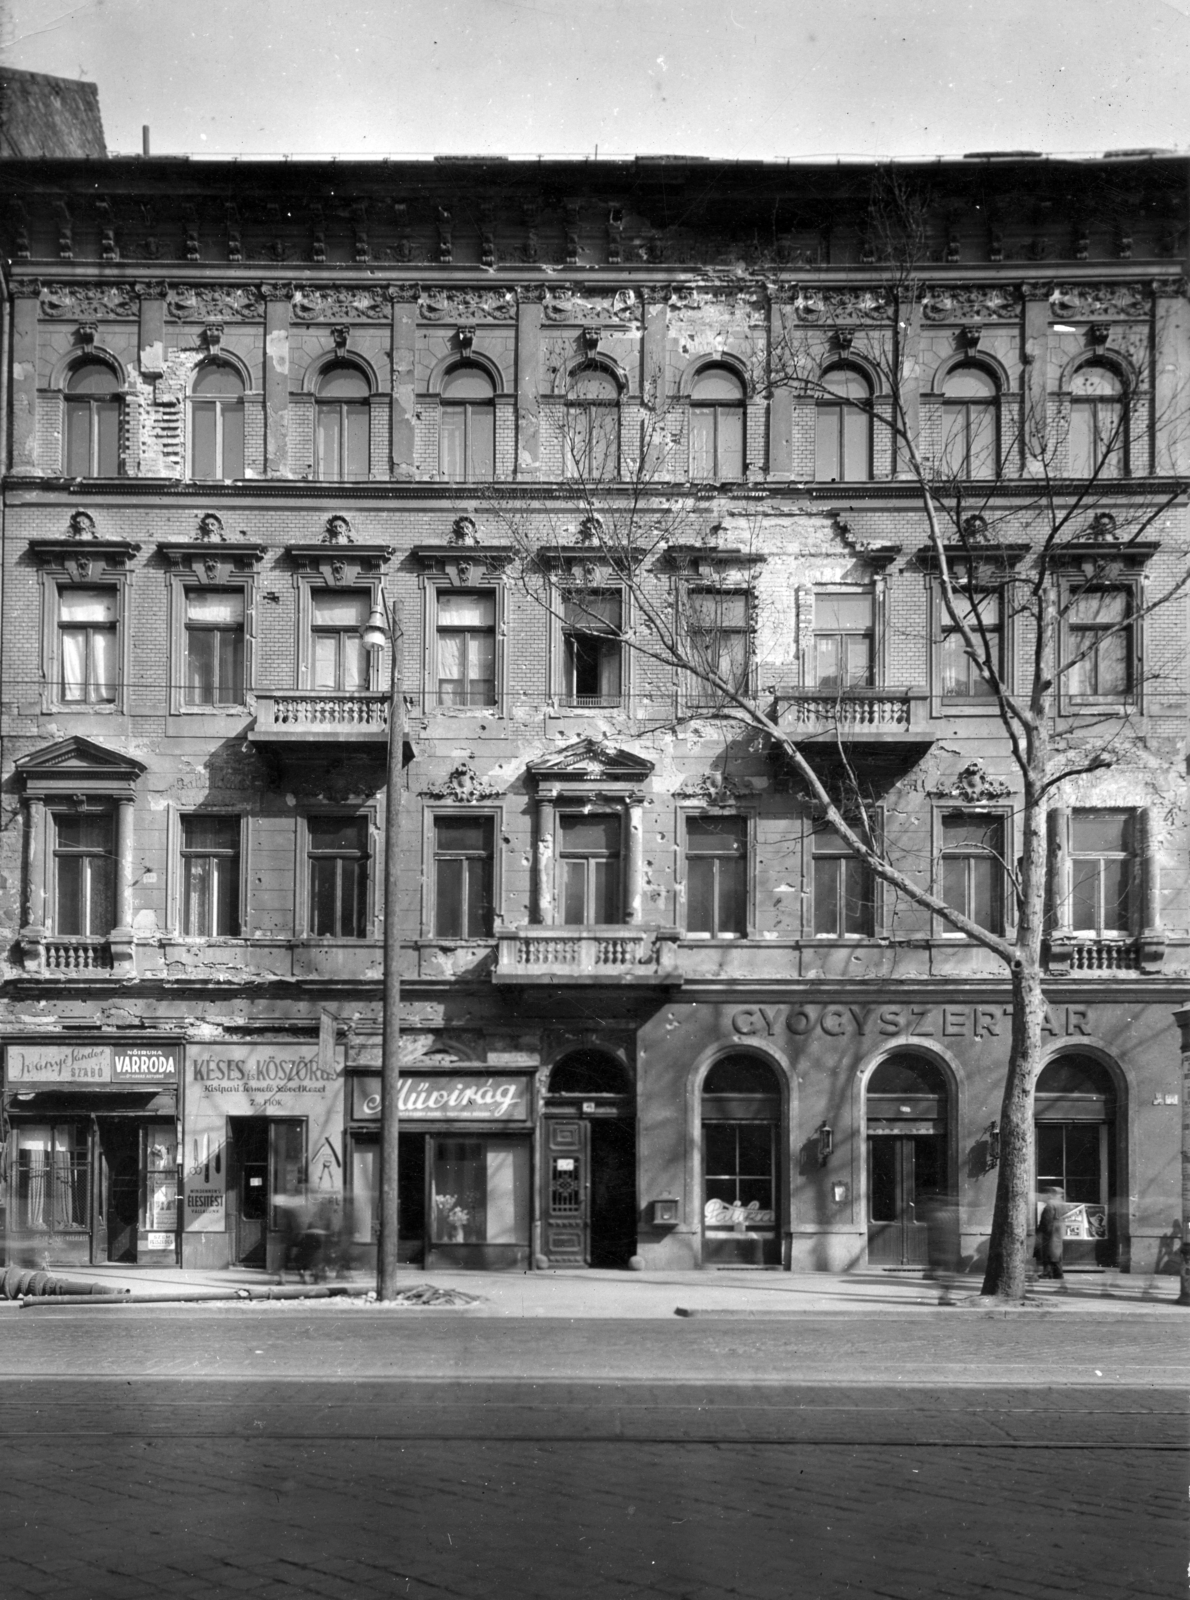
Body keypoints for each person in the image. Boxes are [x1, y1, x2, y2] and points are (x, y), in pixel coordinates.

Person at [921, 1189, 960, 1305]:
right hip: (945, 1248)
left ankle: (944, 1297)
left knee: (947, 1275)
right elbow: (944, 1233)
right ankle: (944, 1298)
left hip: (943, 1248)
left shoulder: (938, 1215)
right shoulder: (945, 1215)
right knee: (948, 1275)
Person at [1036, 1186, 1066, 1281]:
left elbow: (1046, 1220)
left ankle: (1049, 1272)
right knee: (1055, 1253)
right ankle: (1055, 1272)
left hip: (1051, 1231)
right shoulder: (1060, 1203)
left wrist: (1040, 1230)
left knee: (1049, 1251)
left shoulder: (1050, 1205)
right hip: (1058, 1230)